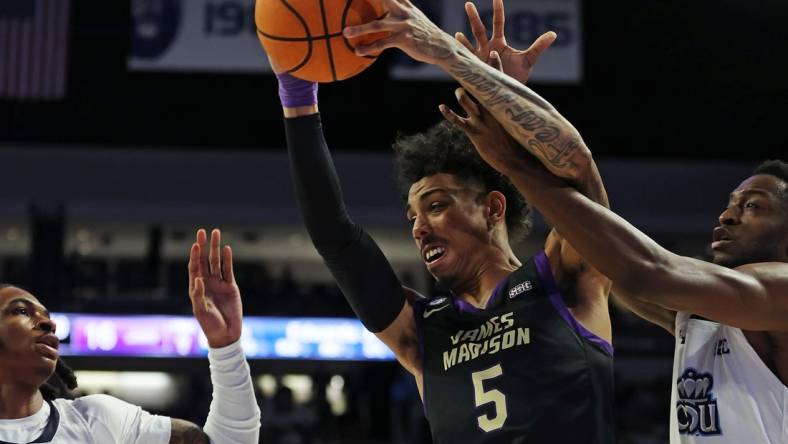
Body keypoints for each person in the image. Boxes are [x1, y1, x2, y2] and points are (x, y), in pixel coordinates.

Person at [353, 1, 788, 440]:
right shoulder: (702, 318)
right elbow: (607, 243)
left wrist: (452, 58)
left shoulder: (780, 293)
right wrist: (503, 99)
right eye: (732, 202)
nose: (727, 214)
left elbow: (641, 266)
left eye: (752, 206)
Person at [278, 0, 616, 442]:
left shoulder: (563, 278)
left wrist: (485, 81)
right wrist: (298, 101)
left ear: (493, 209)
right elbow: (334, 236)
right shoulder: (424, 332)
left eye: (436, 206)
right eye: (413, 216)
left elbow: (578, 167)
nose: (418, 229)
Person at [0, 228, 261, 443]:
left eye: (47, 315)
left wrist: (226, 347)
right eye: (21, 311)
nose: (47, 323)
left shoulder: (97, 421)